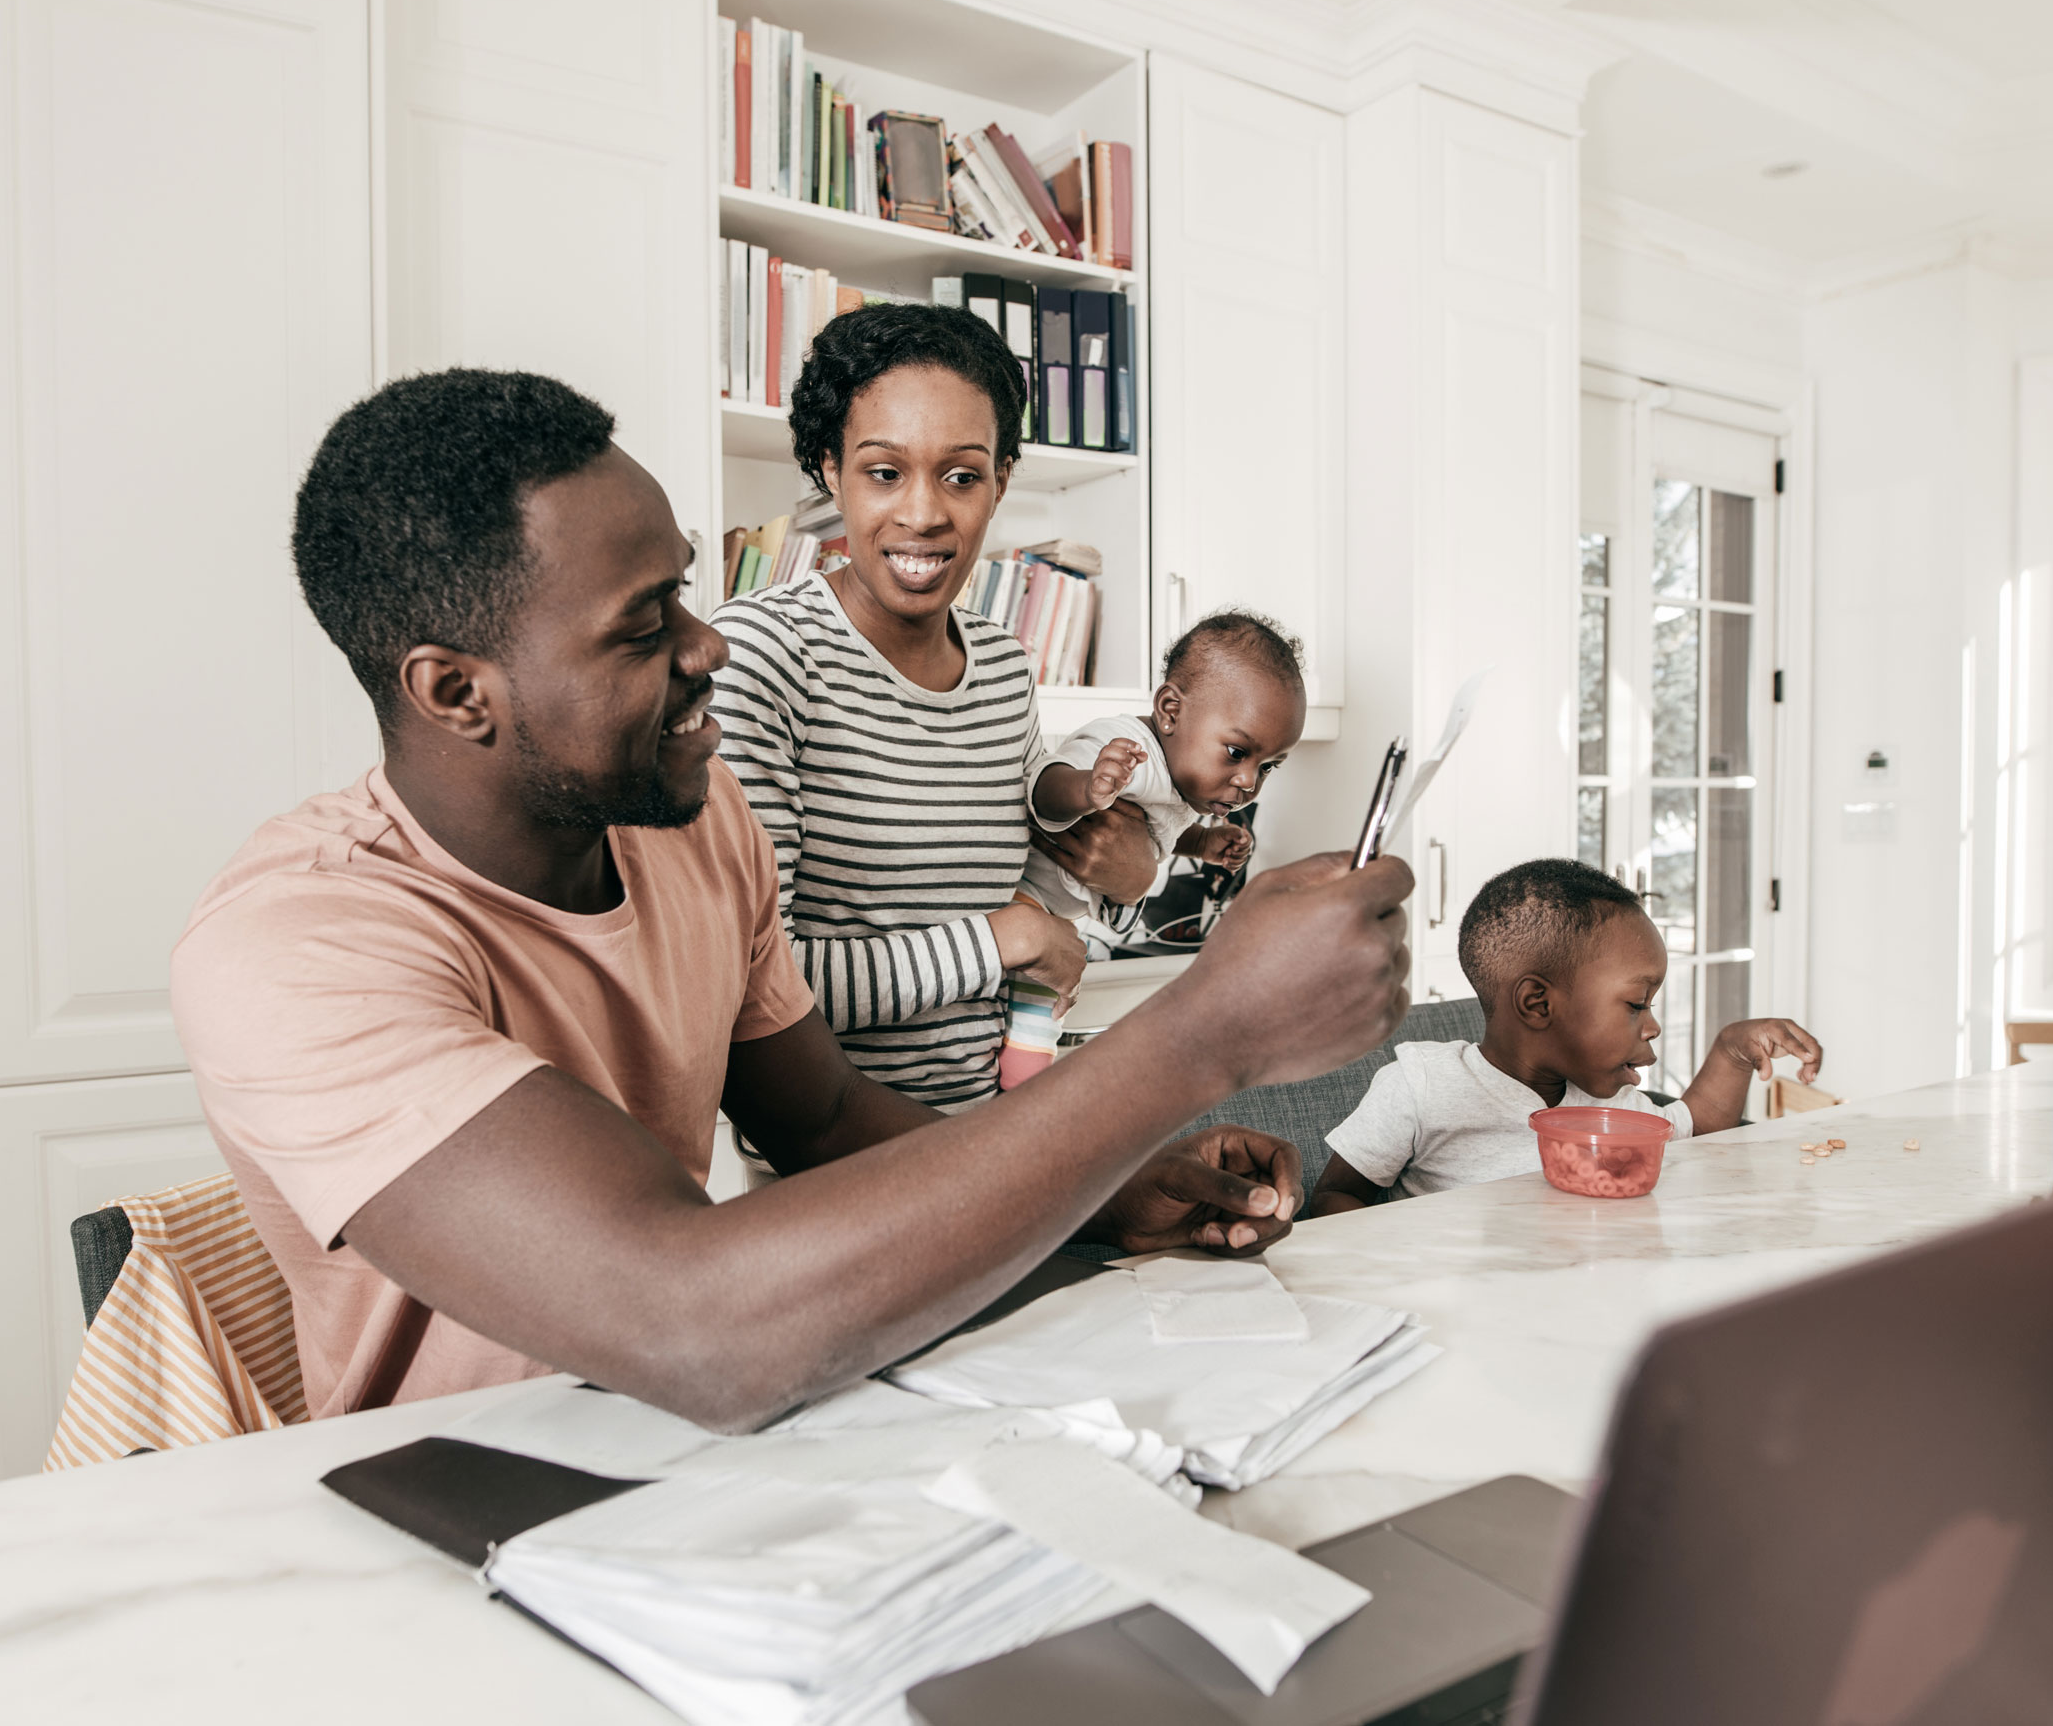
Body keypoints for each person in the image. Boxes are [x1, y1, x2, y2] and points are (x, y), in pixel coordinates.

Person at [169, 368, 1415, 1430]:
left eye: (687, 592)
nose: (706, 645)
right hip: (465, 1497)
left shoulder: (699, 830)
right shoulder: (293, 943)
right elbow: (690, 1324)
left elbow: (821, 1119)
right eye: (642, 624)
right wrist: (1206, 1031)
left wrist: (1113, 1184)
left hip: (712, 1455)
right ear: (454, 692)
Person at [711, 305, 1159, 1110]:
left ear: (1001, 480)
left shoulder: (1002, 668)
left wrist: (1127, 878)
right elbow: (748, 983)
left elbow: (1052, 902)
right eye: (884, 472)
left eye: (961, 475)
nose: (923, 513)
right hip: (828, 1161)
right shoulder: (761, 655)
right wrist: (1001, 940)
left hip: (999, 1133)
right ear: (828, 468)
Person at [1309, 858, 1820, 1214]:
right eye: (1636, 1004)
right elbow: (1334, 1196)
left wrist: (1732, 1051)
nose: (1653, 1025)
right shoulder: (1422, 1085)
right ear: (1538, 1004)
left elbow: (1698, 1131)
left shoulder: (1616, 1107)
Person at [1018, 610, 1305, 922]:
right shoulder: (1128, 749)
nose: (1250, 782)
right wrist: (1086, 788)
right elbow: (1041, 793)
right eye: (1236, 752)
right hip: (1020, 899)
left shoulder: (1179, 786)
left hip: (1051, 918)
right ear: (1171, 712)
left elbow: (1159, 831)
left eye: (1267, 767)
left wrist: (1201, 843)